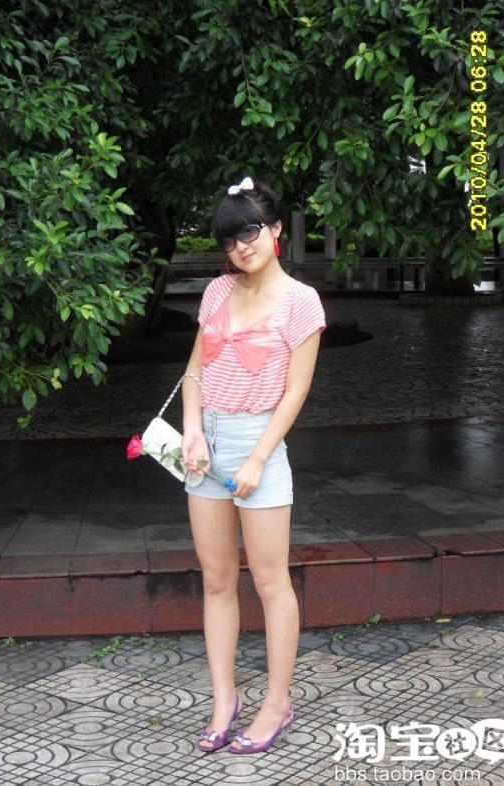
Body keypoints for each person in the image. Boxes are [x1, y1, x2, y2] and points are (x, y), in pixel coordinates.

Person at [181, 175, 327, 754]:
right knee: (217, 579)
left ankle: (277, 704)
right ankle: (225, 699)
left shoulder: (301, 301)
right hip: (205, 446)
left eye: (249, 232)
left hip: (258, 444)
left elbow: (296, 392)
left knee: (270, 582)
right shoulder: (218, 292)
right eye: (229, 239)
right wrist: (193, 429)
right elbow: (193, 372)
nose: (240, 247)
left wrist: (259, 457)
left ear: (274, 229)